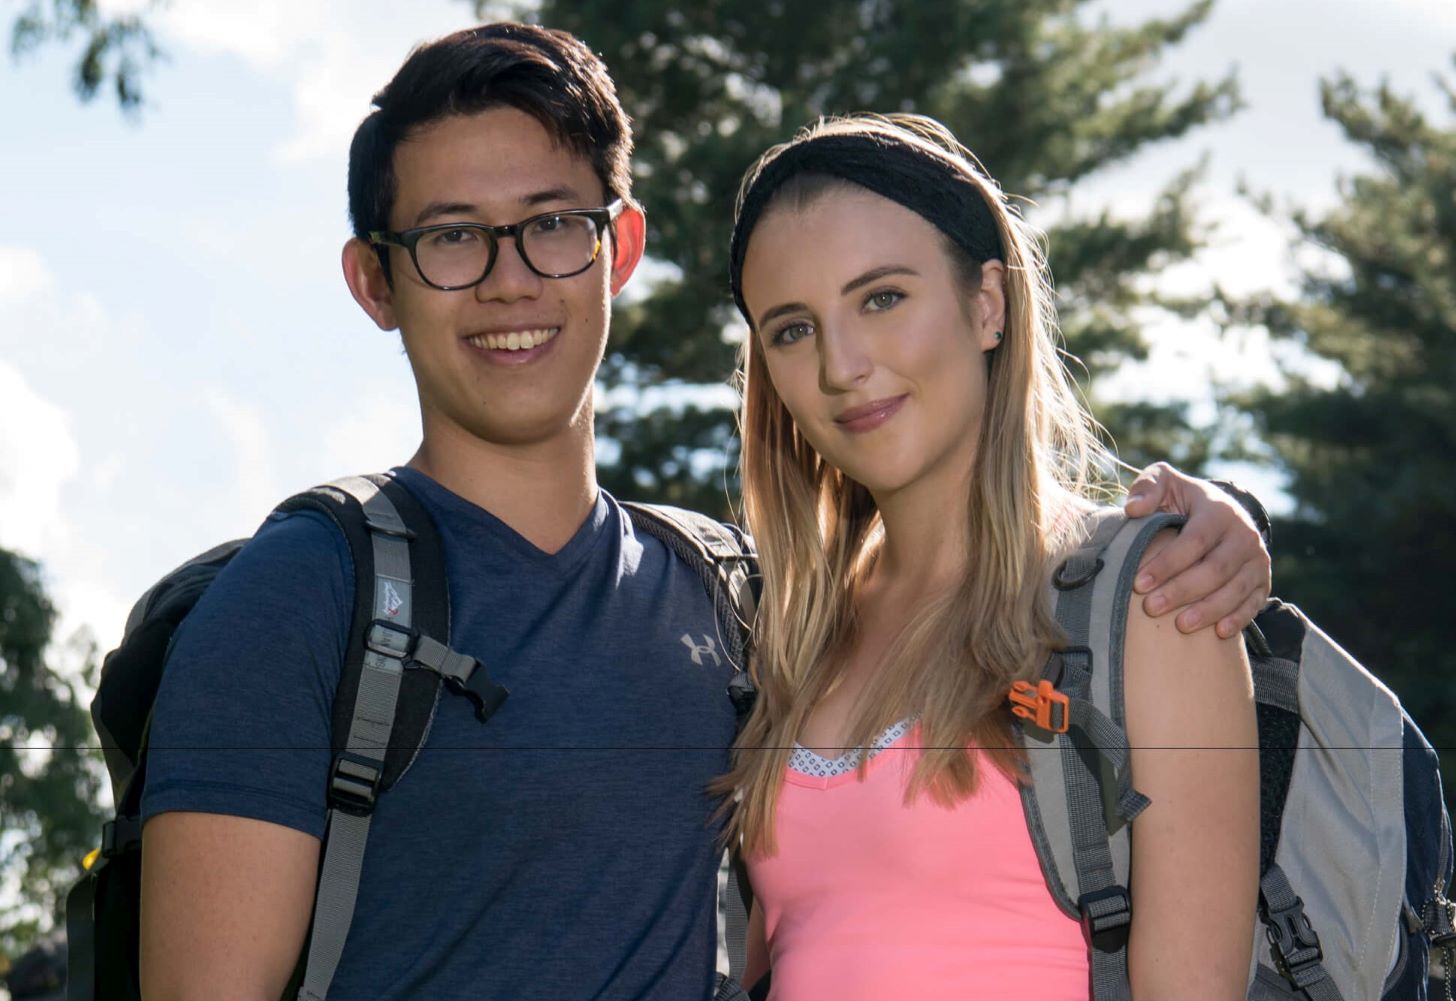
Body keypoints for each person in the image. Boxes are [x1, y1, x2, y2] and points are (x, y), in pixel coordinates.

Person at [137, 24, 1269, 1001]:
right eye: (449, 237)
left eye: (549, 224)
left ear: (616, 249)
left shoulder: (732, 599)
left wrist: (1207, 521)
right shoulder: (312, 592)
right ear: (374, 282)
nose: (508, 280)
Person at [721, 113, 1261, 1000]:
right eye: (792, 329)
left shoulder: (1152, 602)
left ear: (988, 305)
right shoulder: (783, 632)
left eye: (882, 298)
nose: (841, 365)